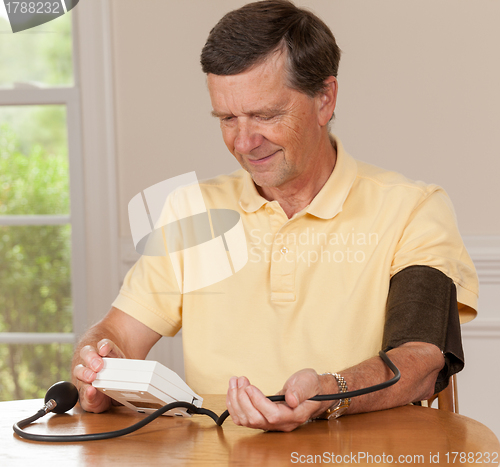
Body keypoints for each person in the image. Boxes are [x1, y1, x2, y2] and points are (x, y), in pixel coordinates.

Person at [72, 0, 478, 432]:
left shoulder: (413, 209)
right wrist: (99, 362)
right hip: (219, 460)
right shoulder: (192, 209)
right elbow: (120, 333)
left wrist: (326, 393)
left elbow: (419, 359)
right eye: (228, 118)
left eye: (265, 115)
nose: (244, 142)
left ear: (325, 99)